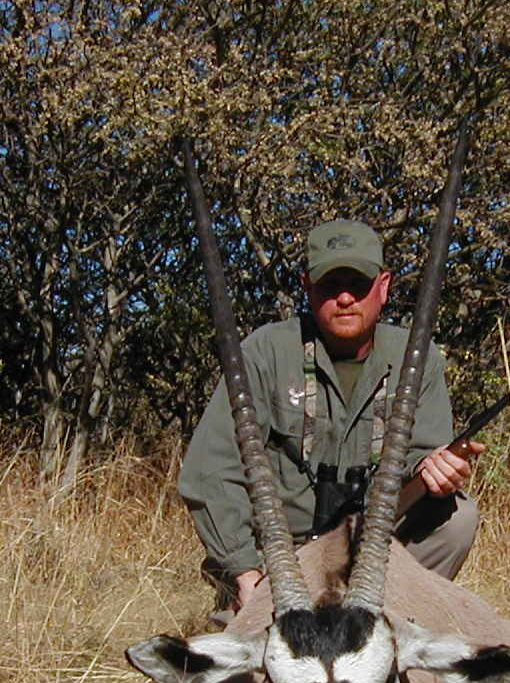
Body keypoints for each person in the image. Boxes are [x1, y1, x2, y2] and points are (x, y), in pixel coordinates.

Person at [179, 218, 485, 611]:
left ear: (384, 286)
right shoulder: (264, 351)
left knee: (457, 518)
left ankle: (394, 618)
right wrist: (244, 571)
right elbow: (210, 471)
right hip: (279, 558)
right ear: (307, 287)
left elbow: (419, 457)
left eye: (358, 285)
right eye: (330, 286)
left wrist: (436, 469)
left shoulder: (418, 359)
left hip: (369, 550)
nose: (344, 299)